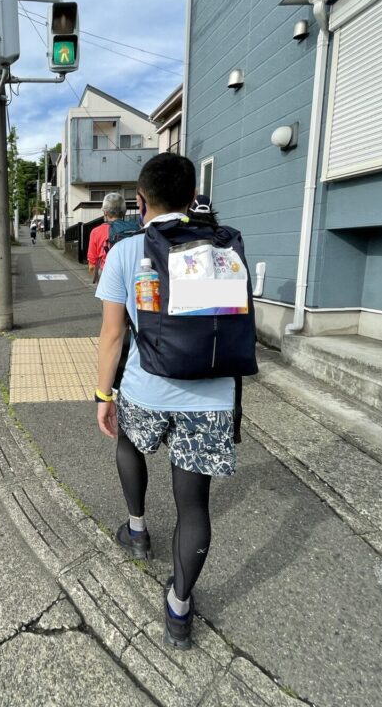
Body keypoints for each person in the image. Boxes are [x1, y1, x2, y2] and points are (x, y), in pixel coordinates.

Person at [94, 152, 236, 650]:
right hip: (212, 395)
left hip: (146, 389)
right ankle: (179, 608)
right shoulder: (223, 245)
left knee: (129, 444)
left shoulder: (127, 252)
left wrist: (102, 393)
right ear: (193, 197)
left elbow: (113, 337)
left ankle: (136, 532)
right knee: (193, 503)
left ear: (141, 201)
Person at [86, 192, 127, 281]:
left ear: (105, 212)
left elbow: (92, 264)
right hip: (129, 272)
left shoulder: (96, 232)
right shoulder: (133, 228)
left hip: (107, 273)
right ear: (124, 212)